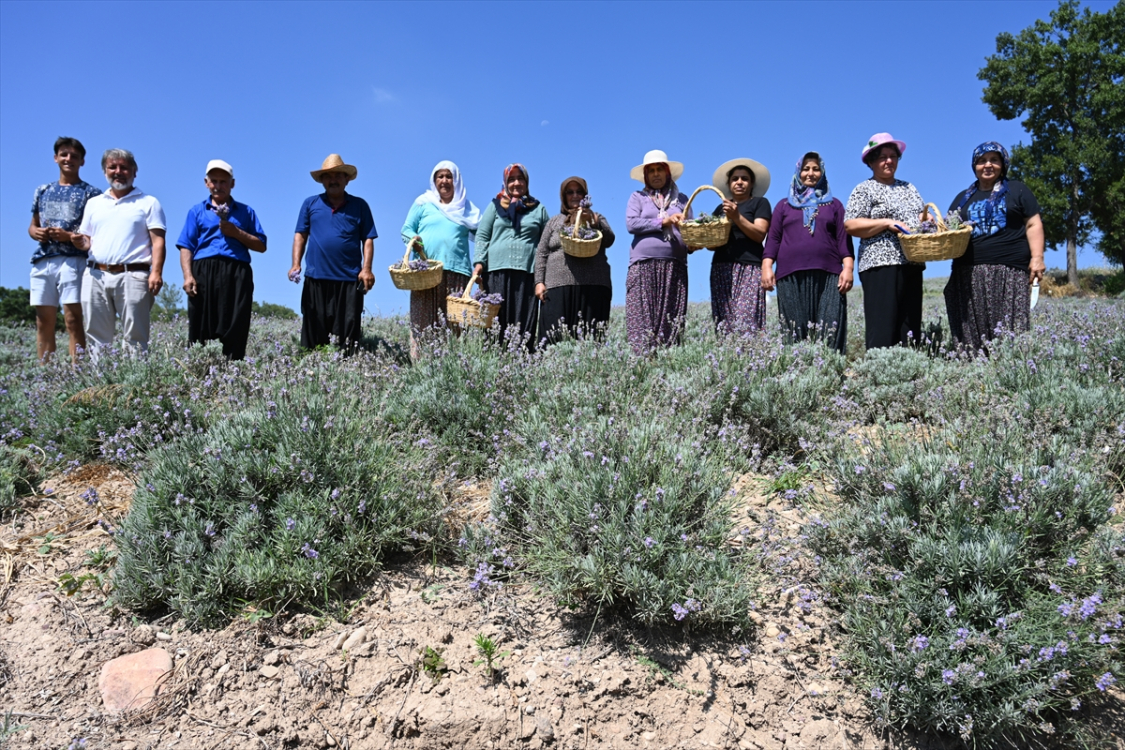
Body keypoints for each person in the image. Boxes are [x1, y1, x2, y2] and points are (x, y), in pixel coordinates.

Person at [944, 142, 1045, 350]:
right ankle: (973, 375)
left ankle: (1011, 373)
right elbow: (948, 228)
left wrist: (1037, 258)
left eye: (994, 160)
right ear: (975, 166)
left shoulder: (1017, 190)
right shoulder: (963, 198)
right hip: (968, 273)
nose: (987, 165)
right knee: (972, 334)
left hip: (1010, 270)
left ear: (1003, 165)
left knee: (1011, 331)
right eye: (982, 161)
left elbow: (1033, 223)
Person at [71, 148, 166, 355]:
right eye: (112, 167)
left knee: (136, 336)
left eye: (124, 167)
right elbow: (87, 240)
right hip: (95, 274)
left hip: (134, 275)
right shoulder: (94, 204)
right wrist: (80, 241)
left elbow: (158, 241)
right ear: (105, 171)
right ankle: (101, 386)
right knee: (97, 337)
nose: (118, 171)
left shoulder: (149, 203)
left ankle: (135, 385)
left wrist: (156, 273)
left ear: (134, 171)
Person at [762, 152, 854, 353]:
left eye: (815, 168)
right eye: (806, 169)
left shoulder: (835, 205)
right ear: (798, 172)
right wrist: (767, 267)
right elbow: (773, 240)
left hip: (830, 275)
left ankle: (831, 374)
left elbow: (843, 241)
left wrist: (848, 268)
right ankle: (798, 379)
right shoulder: (783, 206)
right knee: (794, 331)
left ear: (822, 172)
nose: (810, 173)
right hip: (789, 275)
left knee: (831, 328)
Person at [176, 160, 267, 360]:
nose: (218, 186)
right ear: (206, 183)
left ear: (232, 184)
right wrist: (188, 275)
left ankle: (233, 370)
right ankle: (199, 371)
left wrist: (236, 233)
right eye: (214, 181)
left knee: (236, 322)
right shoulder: (197, 211)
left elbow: (261, 245)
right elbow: (186, 246)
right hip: (203, 271)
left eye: (223, 182)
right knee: (201, 323)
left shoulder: (246, 212)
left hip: (237, 271)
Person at [844, 133, 924, 350]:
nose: (889, 161)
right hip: (880, 264)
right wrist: (886, 223)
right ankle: (879, 376)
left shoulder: (909, 188)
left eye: (893, 156)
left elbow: (920, 217)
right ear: (871, 162)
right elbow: (851, 224)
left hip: (912, 262)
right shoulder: (864, 189)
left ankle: (910, 375)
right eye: (882, 157)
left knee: (910, 326)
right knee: (882, 326)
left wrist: (929, 221)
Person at [290, 154, 377, 352]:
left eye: (338, 175)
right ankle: (312, 373)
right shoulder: (310, 204)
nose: (333, 180)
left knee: (347, 339)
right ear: (322, 180)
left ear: (347, 180)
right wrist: (295, 264)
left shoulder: (360, 206)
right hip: (315, 278)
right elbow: (300, 235)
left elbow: (368, 239)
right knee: (313, 335)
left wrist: (367, 269)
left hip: (348, 280)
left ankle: (346, 374)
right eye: (328, 176)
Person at [28, 137, 101, 362]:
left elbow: (96, 234)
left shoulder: (92, 193)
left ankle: (76, 373)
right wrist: (36, 232)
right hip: (43, 260)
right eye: (64, 154)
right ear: (56, 158)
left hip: (73, 260)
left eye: (74, 156)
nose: (68, 159)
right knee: (43, 320)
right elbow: (33, 224)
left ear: (82, 161)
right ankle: (45, 375)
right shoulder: (42, 190)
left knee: (73, 319)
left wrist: (68, 237)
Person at [400, 160, 481, 356]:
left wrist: (481, 263)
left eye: (449, 176)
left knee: (454, 325)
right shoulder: (423, 203)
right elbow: (406, 229)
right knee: (423, 322)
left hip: (457, 273)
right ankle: (421, 369)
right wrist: (414, 240)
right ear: (434, 180)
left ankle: (451, 369)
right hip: (426, 273)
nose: (444, 181)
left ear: (456, 180)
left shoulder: (467, 209)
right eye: (440, 176)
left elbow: (483, 236)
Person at [472, 164, 549, 348]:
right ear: (505, 182)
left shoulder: (538, 209)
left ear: (527, 182)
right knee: (495, 323)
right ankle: (495, 368)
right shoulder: (494, 206)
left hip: (527, 273)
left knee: (523, 323)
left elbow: (548, 241)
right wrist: (479, 263)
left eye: (520, 179)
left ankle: (523, 367)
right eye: (511, 179)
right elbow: (482, 236)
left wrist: (544, 275)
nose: (516, 183)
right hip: (496, 273)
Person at [624, 149, 692, 355]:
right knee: (643, 319)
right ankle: (642, 366)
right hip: (643, 264)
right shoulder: (638, 197)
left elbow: (689, 227)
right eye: (651, 170)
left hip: (675, 266)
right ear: (645, 175)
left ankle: (667, 367)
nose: (655, 174)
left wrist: (693, 242)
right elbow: (632, 223)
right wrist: (664, 221)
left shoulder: (681, 199)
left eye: (659, 170)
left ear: (667, 172)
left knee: (670, 321)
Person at [534, 176, 615, 343]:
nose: (575, 195)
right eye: (570, 192)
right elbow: (541, 252)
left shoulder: (596, 217)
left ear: (586, 195)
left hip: (594, 285)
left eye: (579, 192)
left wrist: (593, 223)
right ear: (564, 196)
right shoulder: (554, 222)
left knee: (591, 341)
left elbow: (609, 239)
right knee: (552, 340)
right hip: (557, 286)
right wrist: (539, 282)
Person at [708, 158, 772, 334]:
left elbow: (759, 234)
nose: (739, 182)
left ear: (751, 184)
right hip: (722, 268)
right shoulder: (721, 209)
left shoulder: (760, 203)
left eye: (744, 179)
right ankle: (728, 360)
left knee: (747, 320)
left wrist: (737, 217)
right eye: (735, 179)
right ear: (729, 184)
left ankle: (750, 359)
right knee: (724, 322)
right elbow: (713, 243)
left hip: (750, 267)